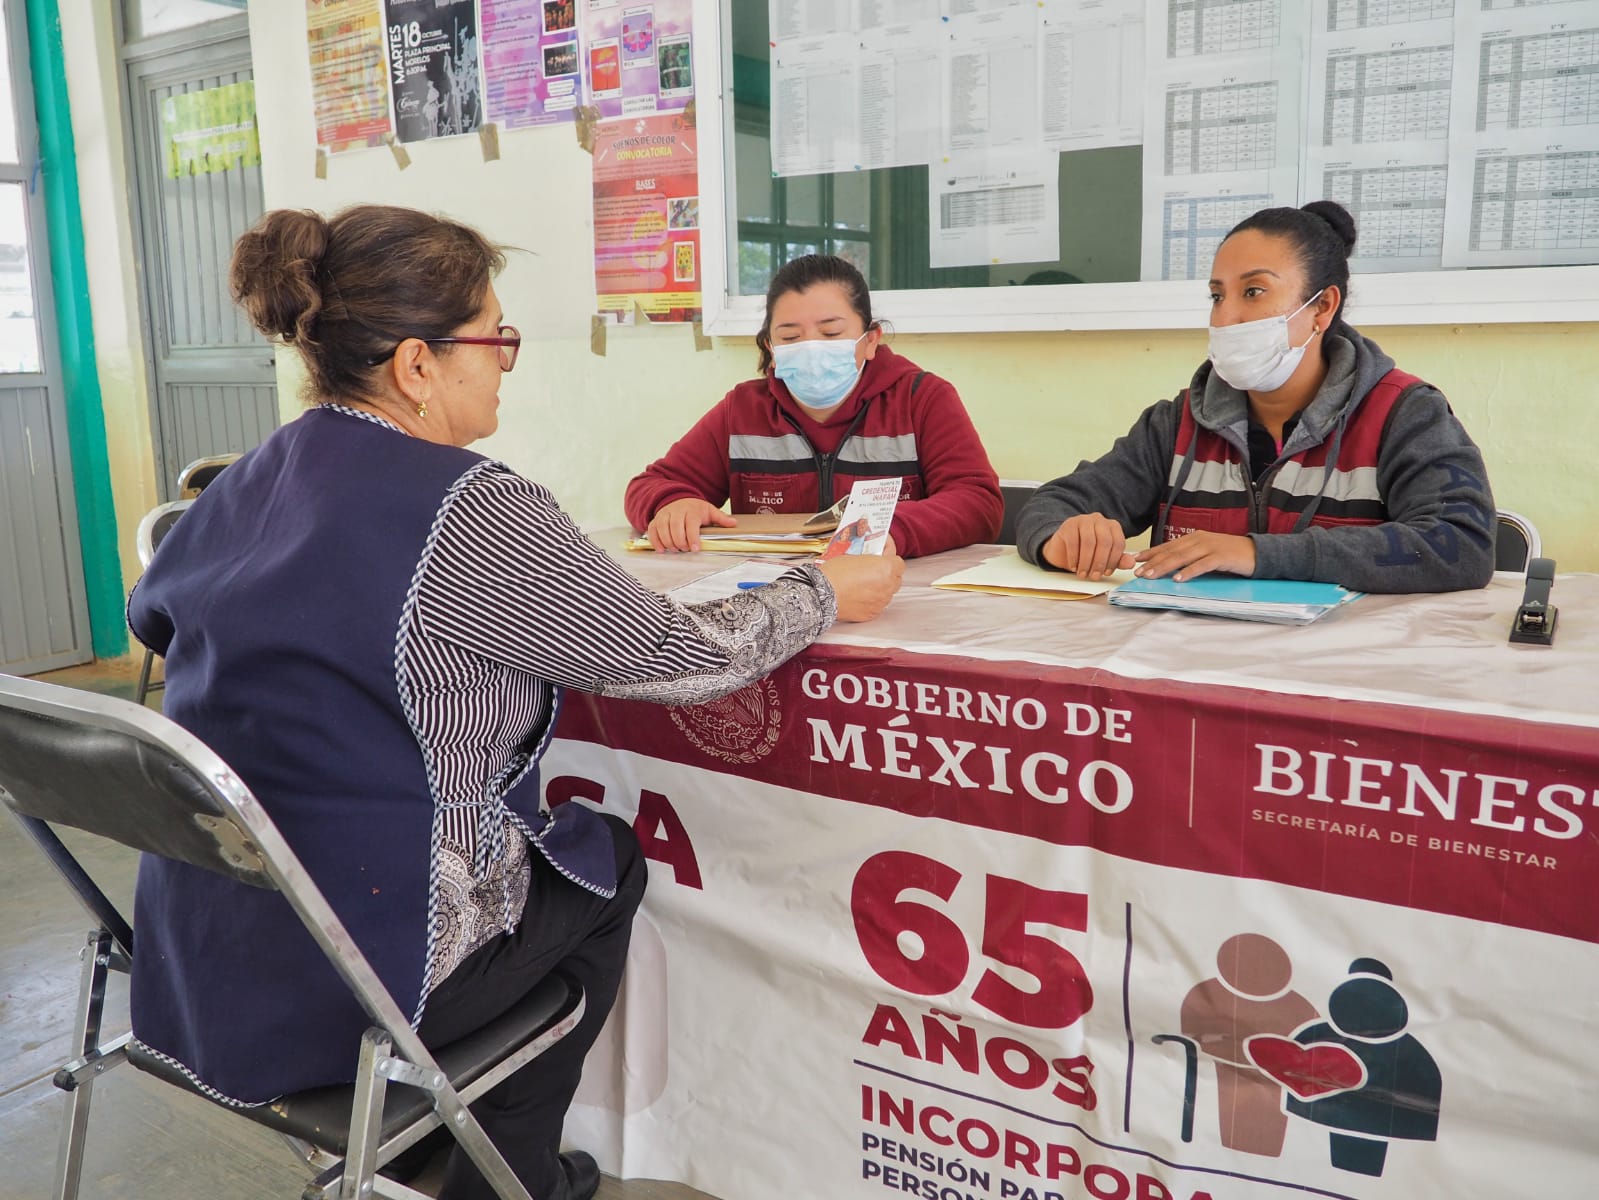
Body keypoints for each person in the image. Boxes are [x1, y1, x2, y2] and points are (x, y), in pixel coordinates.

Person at [126, 205, 903, 1200]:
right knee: (601, 860)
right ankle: (504, 1177)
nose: (505, 364)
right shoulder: (470, 505)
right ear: (417, 364)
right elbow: (678, 655)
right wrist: (828, 591)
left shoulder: (249, 477)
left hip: (202, 948)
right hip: (361, 967)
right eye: (496, 339)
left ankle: (428, 1147)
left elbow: (152, 618)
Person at [1018, 201, 1495, 593]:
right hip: (1188, 668)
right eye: (1217, 296)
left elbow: (1461, 544)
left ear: (1322, 307)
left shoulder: (1405, 414)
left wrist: (1255, 552)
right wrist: (1060, 536)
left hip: (1338, 675)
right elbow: (1054, 503)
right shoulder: (1179, 421)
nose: (1227, 318)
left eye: (1254, 292)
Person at [624, 253, 1004, 557]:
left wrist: (886, 528)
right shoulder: (742, 411)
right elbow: (648, 486)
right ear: (771, 350)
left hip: (894, 593)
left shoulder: (922, 399)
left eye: (831, 333)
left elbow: (978, 504)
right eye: (790, 336)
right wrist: (672, 504)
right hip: (773, 602)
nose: (811, 347)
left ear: (871, 340)